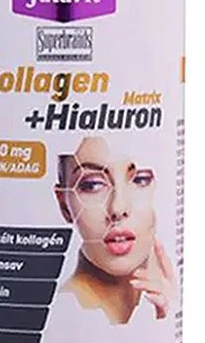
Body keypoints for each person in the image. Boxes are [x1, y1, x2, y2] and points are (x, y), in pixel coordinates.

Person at [54, 136, 177, 325]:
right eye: (92, 185)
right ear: (64, 205)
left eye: (141, 180)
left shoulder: (168, 300)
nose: (118, 209)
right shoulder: (61, 315)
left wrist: (171, 317)